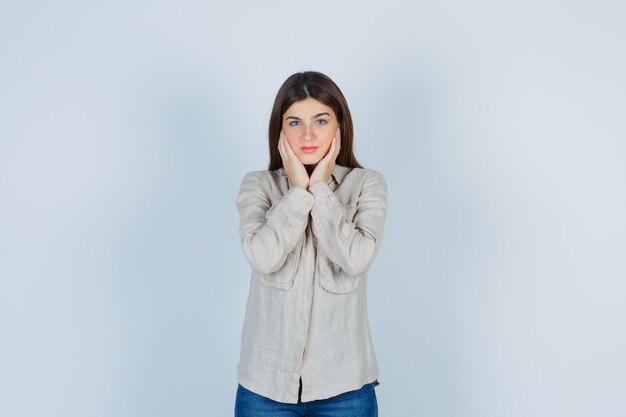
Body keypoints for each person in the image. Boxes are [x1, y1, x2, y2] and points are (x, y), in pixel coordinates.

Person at [234, 71, 388, 417]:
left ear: (340, 127)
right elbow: (263, 255)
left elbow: (356, 259)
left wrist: (319, 189)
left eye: (321, 120)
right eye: (295, 122)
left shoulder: (366, 185)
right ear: (280, 130)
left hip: (345, 388)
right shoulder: (258, 186)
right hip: (264, 387)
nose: (307, 135)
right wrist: (297, 193)